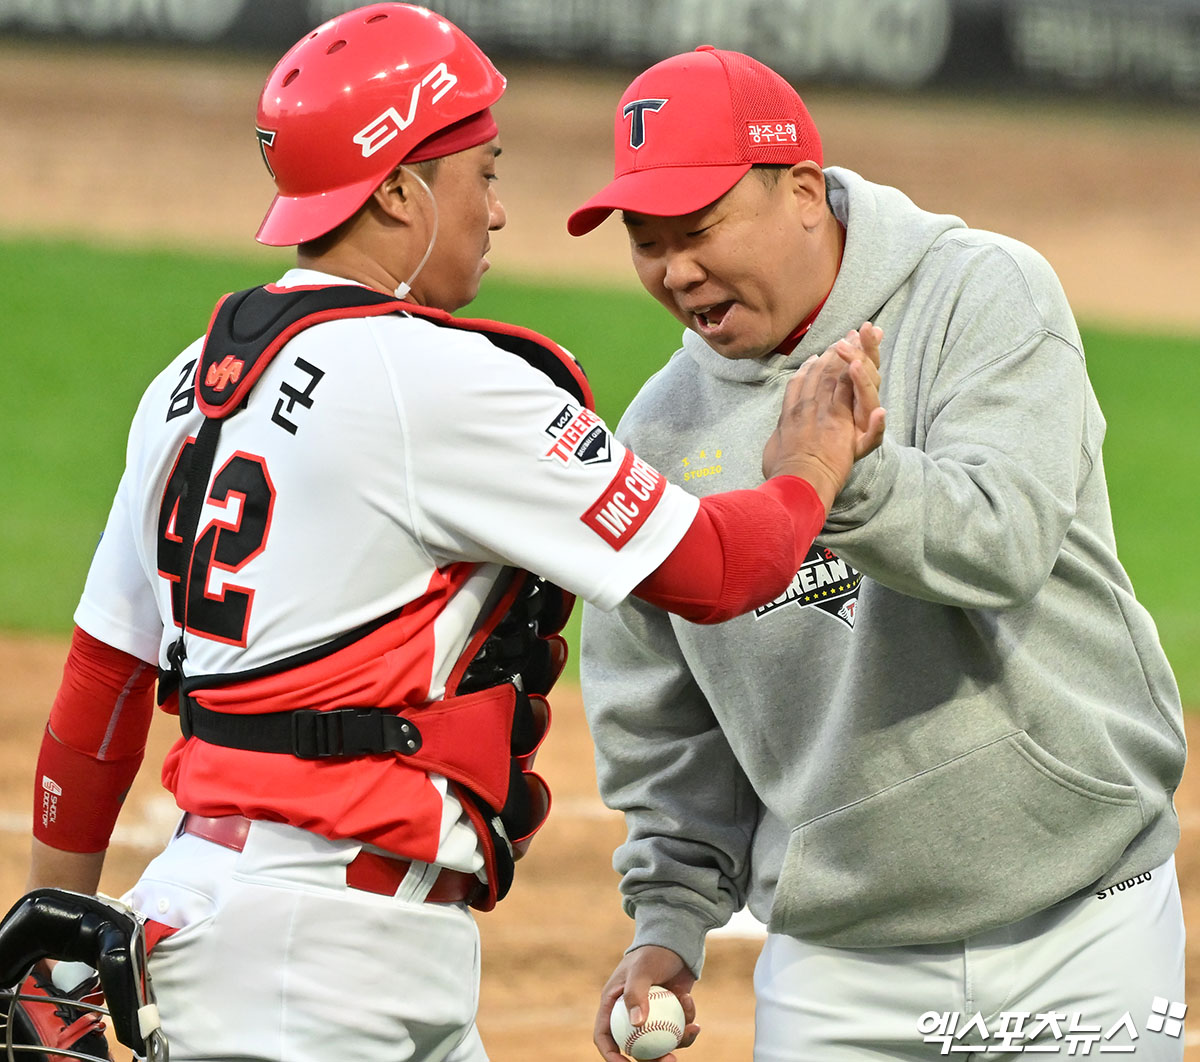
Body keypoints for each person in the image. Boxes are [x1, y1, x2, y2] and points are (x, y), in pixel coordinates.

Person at [22, 9, 885, 1062]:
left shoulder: (182, 385)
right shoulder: (433, 379)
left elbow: (101, 685)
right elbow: (716, 569)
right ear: (398, 190)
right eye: (482, 170)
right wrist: (813, 462)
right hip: (306, 966)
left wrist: (55, 940)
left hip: (269, 930)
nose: (499, 209)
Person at [569, 45, 1188, 1062]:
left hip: (1084, 920)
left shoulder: (980, 295)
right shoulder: (662, 438)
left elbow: (1006, 536)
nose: (675, 270)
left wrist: (834, 478)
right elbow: (661, 713)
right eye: (647, 240)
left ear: (804, 192)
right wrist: (671, 919)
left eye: (700, 228)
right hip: (840, 965)